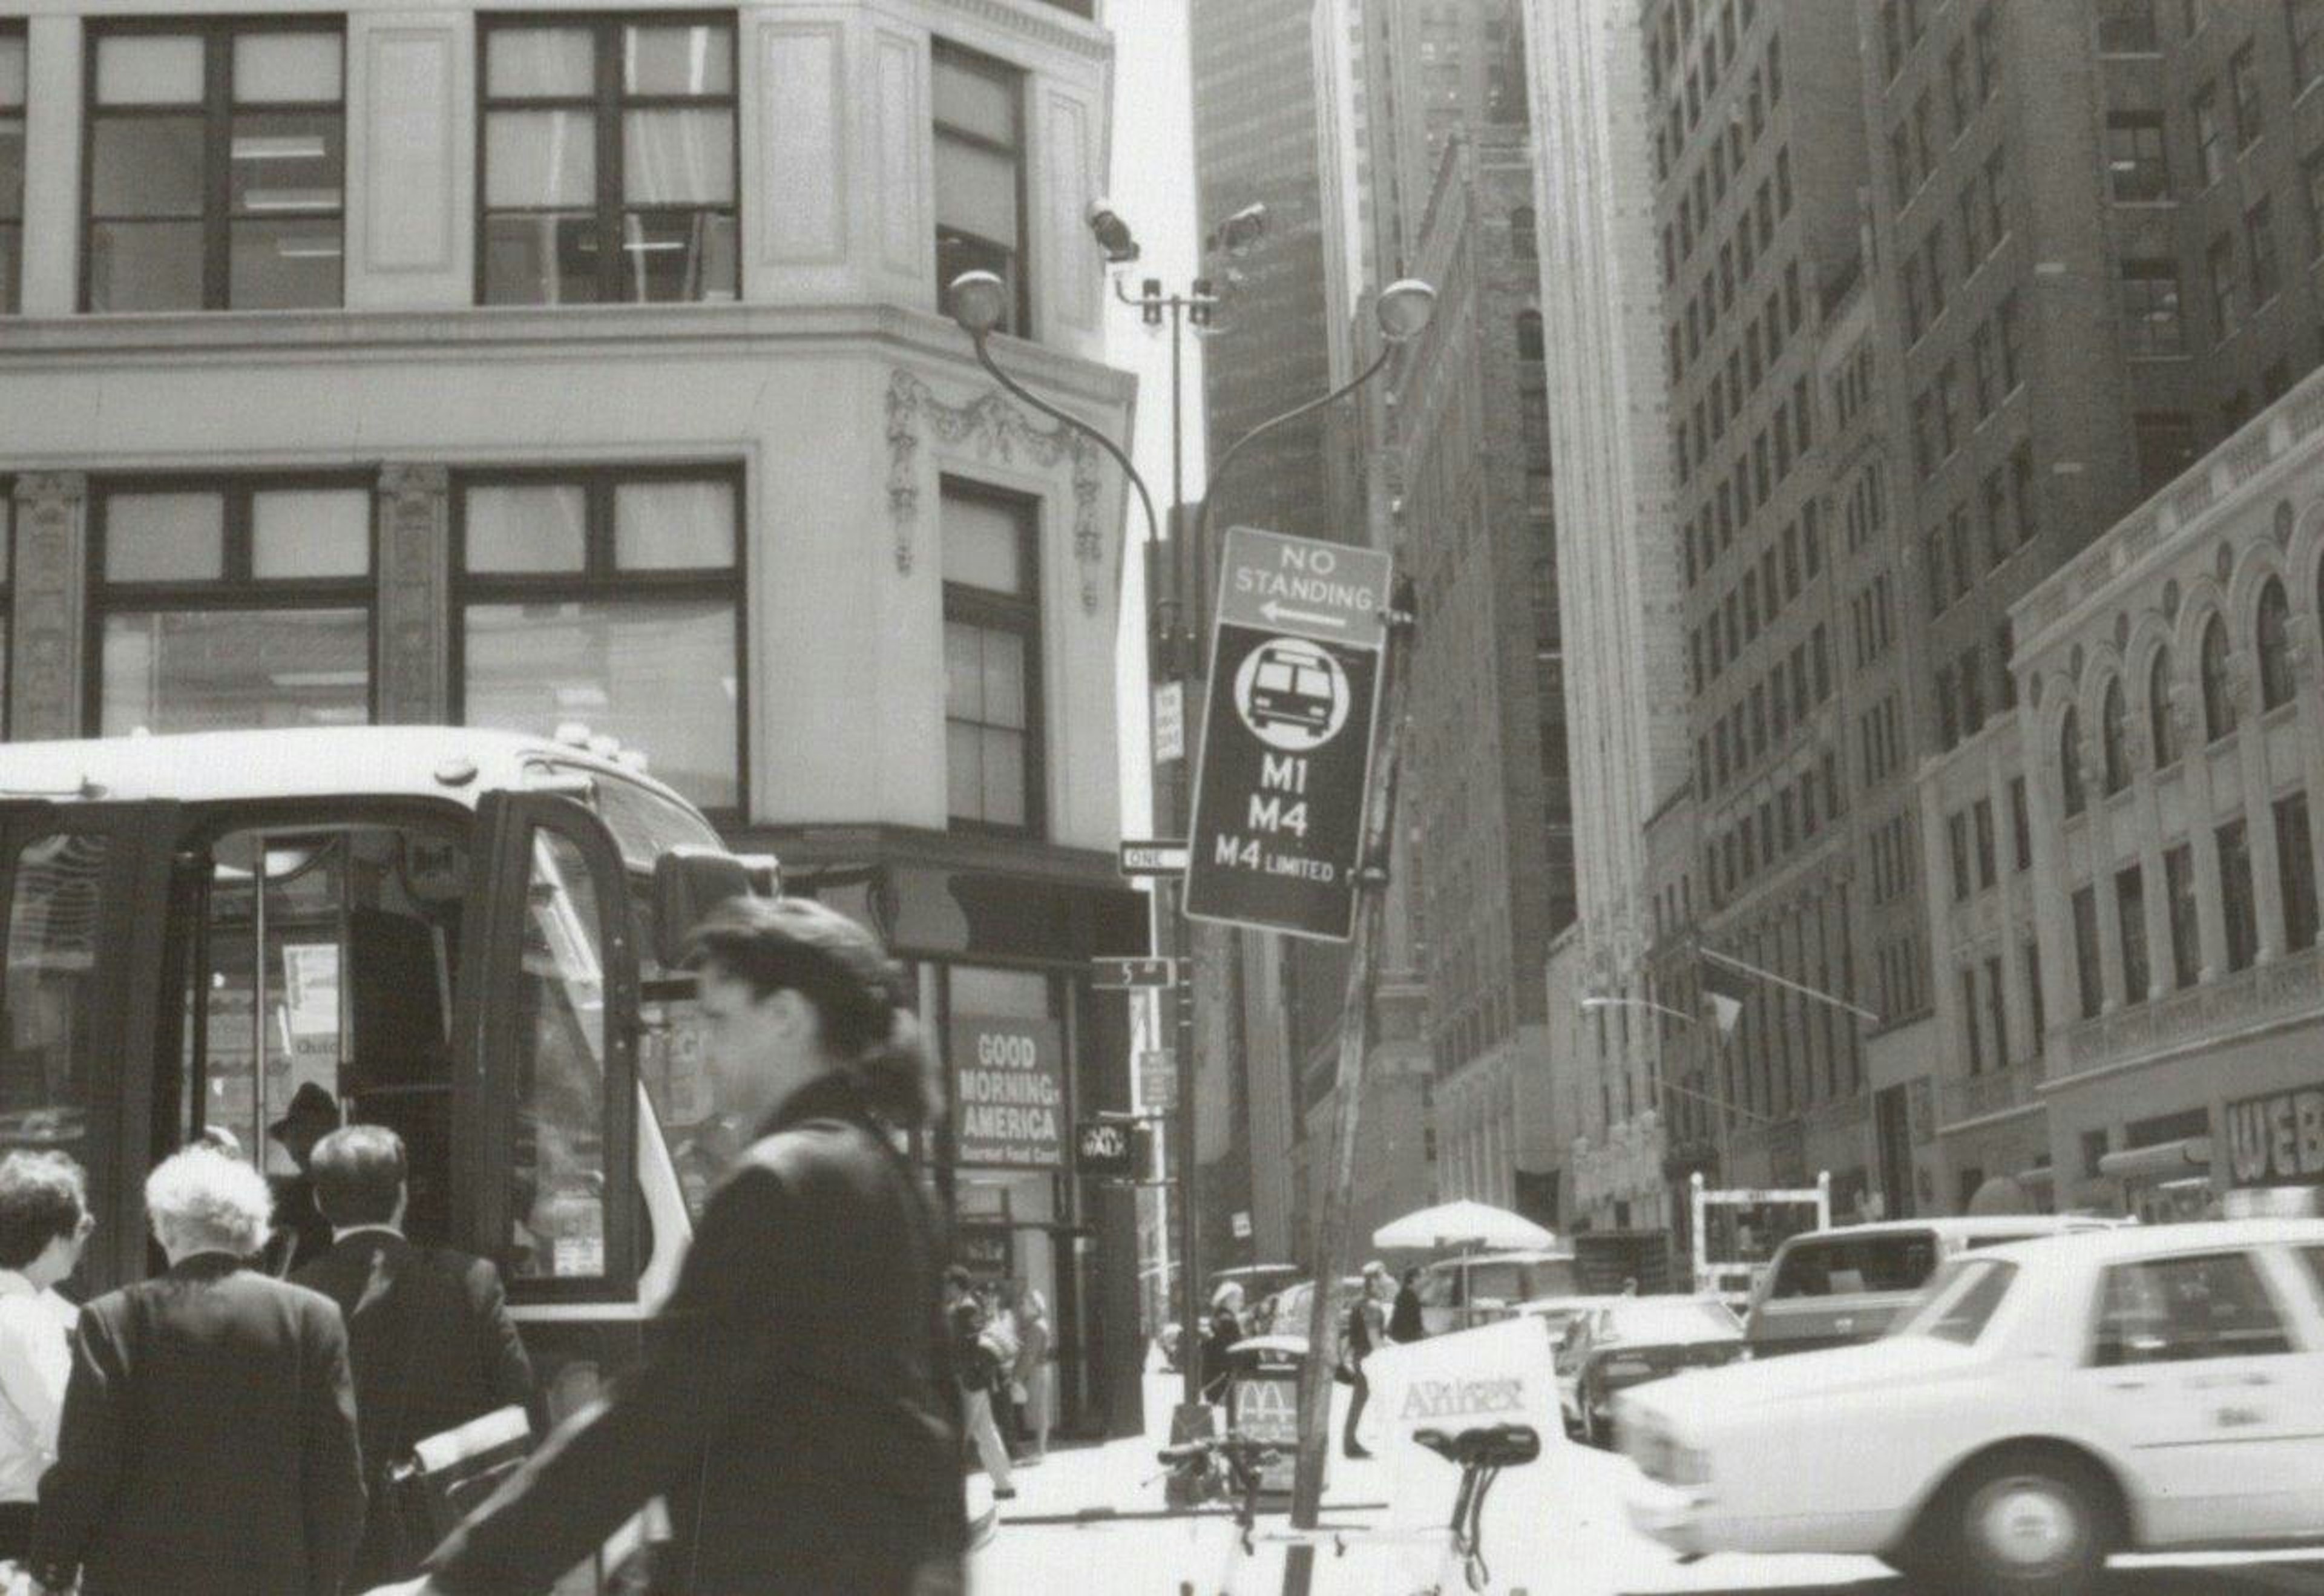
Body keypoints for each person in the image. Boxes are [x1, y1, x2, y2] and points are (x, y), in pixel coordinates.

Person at [390, 897, 965, 1595]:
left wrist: (463, 1578)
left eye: (719, 1020)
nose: (703, 1048)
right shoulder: (891, 1177)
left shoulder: (776, 1184)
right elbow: (932, 1416)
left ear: (786, 1017)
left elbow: (651, 1418)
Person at [28, 1146, 364, 1596]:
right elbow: (338, 1477)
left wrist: (53, 1570)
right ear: (253, 1229)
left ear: (165, 1226)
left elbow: (87, 1466)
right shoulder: (313, 1316)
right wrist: (320, 1581)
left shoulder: (112, 1319)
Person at [292, 1125, 533, 1588]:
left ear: (320, 1202)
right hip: (448, 1528)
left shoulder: (294, 1297)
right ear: (403, 1194)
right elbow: (518, 1398)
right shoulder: (471, 1281)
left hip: (339, 1549)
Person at [0, 1154, 91, 1566]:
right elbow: (66, 1428)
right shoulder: (26, 1317)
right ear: (55, 1238)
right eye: (81, 1228)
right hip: (16, 1525)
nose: (83, 1240)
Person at [945, 1269, 1015, 1500]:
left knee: (959, 1433)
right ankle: (1004, 1485)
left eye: (948, 1284)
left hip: (969, 1381)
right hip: (977, 1380)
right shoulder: (970, 1306)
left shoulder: (965, 1309)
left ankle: (950, 1489)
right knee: (986, 1432)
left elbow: (967, 1346)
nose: (945, 1289)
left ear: (956, 1286)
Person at [264, 1083, 341, 1277]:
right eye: (296, 1137)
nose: (298, 1146)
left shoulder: (345, 1190)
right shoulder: (290, 1194)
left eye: (308, 1135)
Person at [1341, 1263, 1391, 1460]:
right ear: (1375, 1280)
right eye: (1383, 1277)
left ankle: (1350, 1442)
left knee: (1361, 1400)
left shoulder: (1361, 1302)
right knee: (1361, 1400)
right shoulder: (1371, 1305)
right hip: (1369, 1358)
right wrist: (1392, 1353)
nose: (1386, 1281)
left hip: (1361, 1356)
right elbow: (1375, 1339)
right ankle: (1350, 1443)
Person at [1010, 1287, 1054, 1465]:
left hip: (1037, 1371)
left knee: (1039, 1410)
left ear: (1035, 1306)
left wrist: (1017, 1378)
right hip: (1039, 1370)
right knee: (1039, 1410)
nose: (1022, 1307)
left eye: (1025, 1304)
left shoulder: (1036, 1327)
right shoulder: (1039, 1324)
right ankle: (1040, 1450)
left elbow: (1029, 1356)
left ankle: (1040, 1451)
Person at [1201, 1282, 1245, 1406]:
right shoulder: (1228, 1322)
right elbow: (1234, 1353)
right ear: (1228, 1300)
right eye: (1239, 1300)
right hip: (1223, 1384)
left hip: (1213, 1381)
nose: (1241, 1304)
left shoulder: (1217, 1319)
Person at [1388, 1267, 1425, 1344]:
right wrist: (1420, 1335)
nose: (1425, 1280)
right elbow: (1409, 1320)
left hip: (1403, 1336)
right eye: (1423, 1276)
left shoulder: (1407, 1294)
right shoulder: (1408, 1297)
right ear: (1414, 1279)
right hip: (1406, 1338)